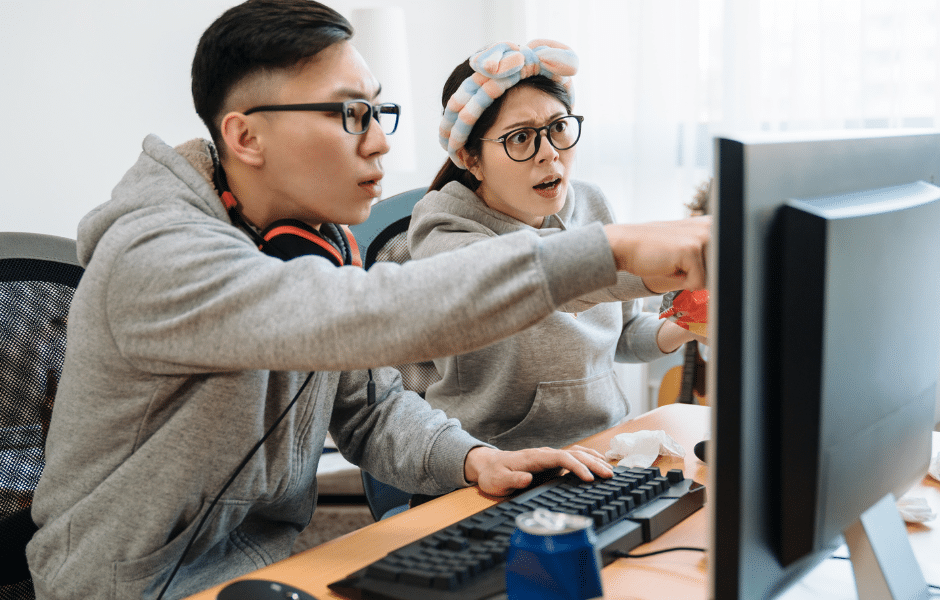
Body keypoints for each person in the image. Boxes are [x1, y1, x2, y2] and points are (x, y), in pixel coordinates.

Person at [26, 3, 709, 599]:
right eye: (352, 114)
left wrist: (475, 460)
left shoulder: (312, 242)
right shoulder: (156, 257)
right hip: (130, 585)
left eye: (379, 111)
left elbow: (369, 406)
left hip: (269, 565)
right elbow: (367, 315)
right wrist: (610, 251)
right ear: (245, 136)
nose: (381, 139)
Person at [408, 40, 708, 451]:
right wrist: (625, 252)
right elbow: (522, 275)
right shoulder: (443, 225)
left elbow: (622, 335)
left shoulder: (591, 202)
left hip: (605, 445)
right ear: (470, 157)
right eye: (520, 138)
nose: (549, 154)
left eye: (559, 127)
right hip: (496, 460)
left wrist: (686, 326)